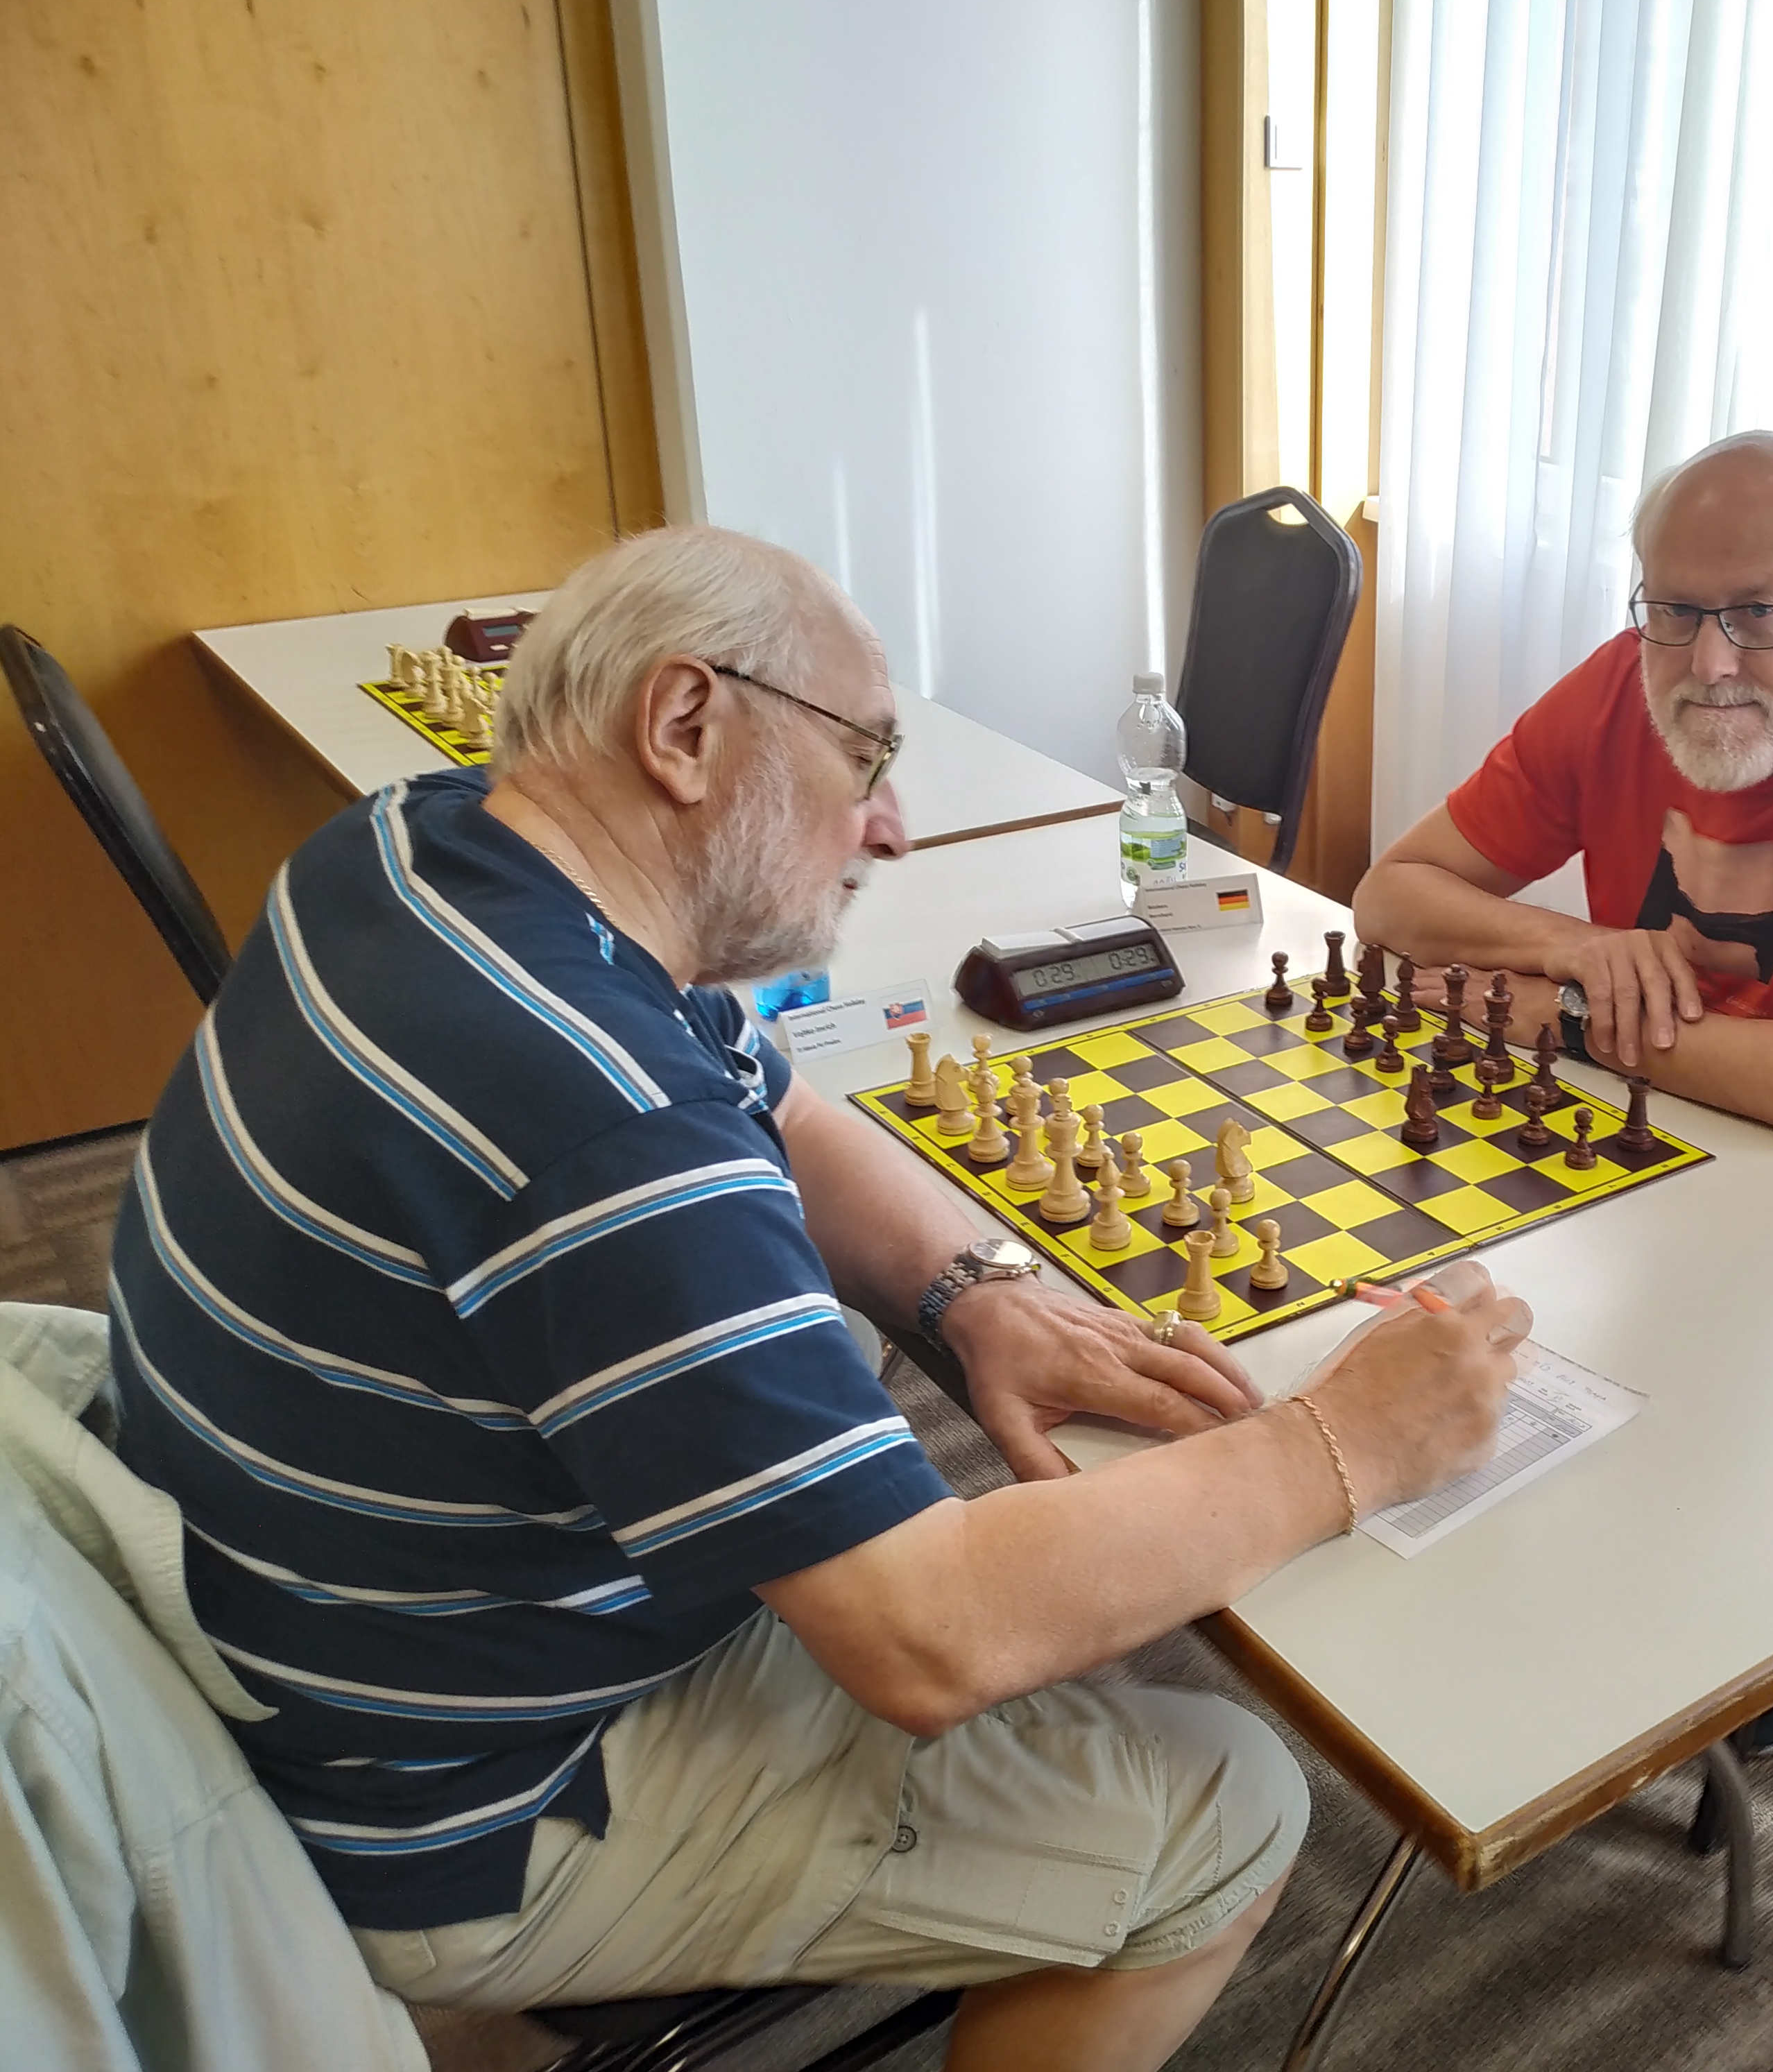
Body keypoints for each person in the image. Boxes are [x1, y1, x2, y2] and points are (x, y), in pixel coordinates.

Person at [106, 524, 1528, 2071]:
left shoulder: (418, 844)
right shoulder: (602, 1125)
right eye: (865, 759)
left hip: (298, 1624)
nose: (892, 827)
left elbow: (771, 1103)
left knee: (841, 1336)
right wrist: (1343, 1445)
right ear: (685, 724)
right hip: (461, 1808)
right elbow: (933, 1640)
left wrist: (973, 1291)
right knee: (1231, 1802)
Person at [1353, 430, 1773, 1755]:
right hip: (1677, 1129)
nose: (1710, 661)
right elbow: (1392, 898)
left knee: (1616, 1396)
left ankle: (1755, 1612)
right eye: (1674, 609)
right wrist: (1575, 949)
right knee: (1414, 1258)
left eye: (1763, 613)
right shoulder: (1623, 686)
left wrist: (1558, 1016)